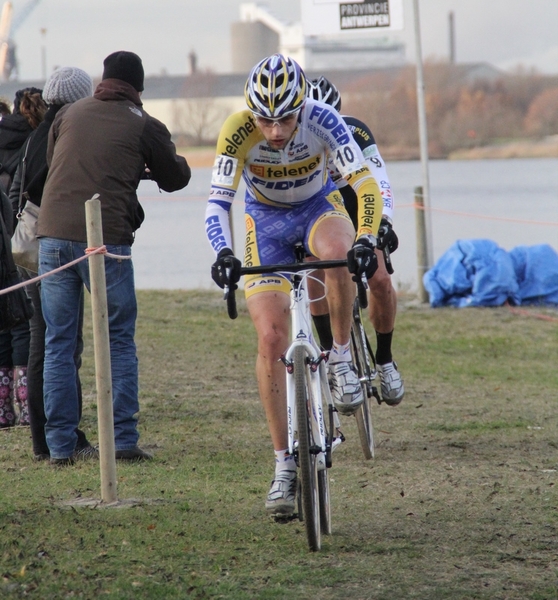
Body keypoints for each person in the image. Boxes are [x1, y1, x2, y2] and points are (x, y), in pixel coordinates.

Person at [206, 54, 383, 516]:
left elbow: (364, 185)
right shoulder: (237, 130)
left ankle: (342, 356)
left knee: (338, 251)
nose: (276, 131)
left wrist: (365, 237)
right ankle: (284, 464)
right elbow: (218, 203)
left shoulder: (323, 121)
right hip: (263, 223)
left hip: (317, 208)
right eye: (266, 119)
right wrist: (223, 253)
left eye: (285, 118)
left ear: (300, 106)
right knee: (270, 336)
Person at [37, 51, 191, 465]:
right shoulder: (144, 124)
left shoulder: (68, 114)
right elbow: (177, 178)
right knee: (119, 339)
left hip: (51, 235)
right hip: (105, 242)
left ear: (102, 81)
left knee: (59, 342)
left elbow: (56, 165)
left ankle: (60, 447)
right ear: (137, 88)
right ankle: (122, 440)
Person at [9, 67, 96, 459]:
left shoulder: (37, 135)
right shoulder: (65, 135)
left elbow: (19, 191)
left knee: (44, 341)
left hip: (27, 247)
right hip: (51, 245)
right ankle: (59, 436)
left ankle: (44, 439)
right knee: (61, 343)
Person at [306, 76, 404, 405]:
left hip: (356, 199)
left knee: (379, 278)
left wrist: (384, 222)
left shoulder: (356, 132)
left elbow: (380, 181)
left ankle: (385, 359)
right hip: (318, 205)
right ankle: (332, 357)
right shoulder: (295, 138)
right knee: (315, 274)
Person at [0, 88, 46, 428]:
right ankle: (27, 406)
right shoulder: (36, 141)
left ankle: (2, 410)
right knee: (24, 325)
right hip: (18, 242)